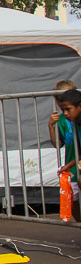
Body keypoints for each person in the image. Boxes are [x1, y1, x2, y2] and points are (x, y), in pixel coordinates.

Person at [51, 87, 81, 222]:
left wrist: (69, 165)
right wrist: (69, 165)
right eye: (63, 110)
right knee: (73, 194)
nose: (66, 113)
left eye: (68, 109)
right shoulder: (74, 122)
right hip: (76, 163)